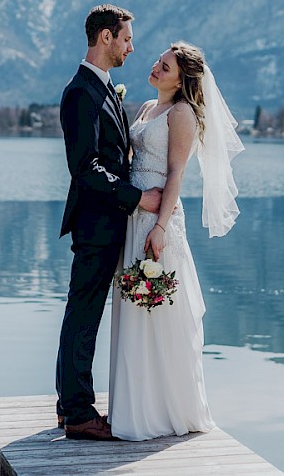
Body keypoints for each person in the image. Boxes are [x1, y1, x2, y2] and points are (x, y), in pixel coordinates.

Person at [108, 41, 244, 441]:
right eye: (158, 62)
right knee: (134, 309)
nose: (155, 67)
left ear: (183, 79)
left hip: (158, 221)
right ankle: (133, 406)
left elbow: (176, 174)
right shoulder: (149, 109)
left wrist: (160, 227)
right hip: (135, 218)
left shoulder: (182, 114)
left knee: (158, 311)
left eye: (165, 67)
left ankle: (165, 411)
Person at [57, 4, 163, 441]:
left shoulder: (102, 89)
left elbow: (116, 157)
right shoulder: (80, 92)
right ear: (105, 37)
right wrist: (138, 197)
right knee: (83, 314)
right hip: (95, 224)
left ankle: (69, 404)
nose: (131, 47)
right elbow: (85, 167)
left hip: (108, 222)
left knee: (82, 313)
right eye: (126, 38)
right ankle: (80, 412)